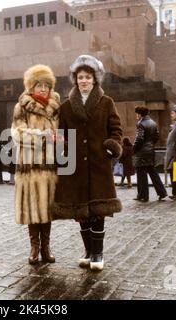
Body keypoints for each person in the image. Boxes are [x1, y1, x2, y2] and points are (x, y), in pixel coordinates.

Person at [50, 55, 123, 271]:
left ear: (94, 79)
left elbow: (116, 130)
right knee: (81, 212)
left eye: (87, 77)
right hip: (75, 167)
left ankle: (98, 254)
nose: (83, 81)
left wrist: (112, 145)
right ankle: (88, 251)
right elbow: (60, 133)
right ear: (75, 79)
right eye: (80, 77)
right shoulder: (66, 106)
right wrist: (59, 146)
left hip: (98, 164)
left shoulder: (106, 102)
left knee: (98, 210)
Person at [11, 64, 60, 265]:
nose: (43, 89)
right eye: (39, 85)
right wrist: (42, 136)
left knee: (47, 208)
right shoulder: (22, 106)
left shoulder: (56, 106)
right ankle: (34, 247)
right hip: (29, 166)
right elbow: (16, 133)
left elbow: (64, 130)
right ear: (31, 86)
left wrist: (61, 138)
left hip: (49, 165)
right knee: (32, 207)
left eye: (46, 85)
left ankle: (46, 247)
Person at [132, 106, 167, 202]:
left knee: (141, 174)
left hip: (142, 153)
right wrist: (150, 145)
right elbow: (156, 137)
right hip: (150, 151)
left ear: (139, 114)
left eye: (137, 113)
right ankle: (162, 192)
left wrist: (134, 149)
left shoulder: (141, 124)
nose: (136, 115)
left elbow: (139, 139)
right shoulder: (153, 122)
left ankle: (143, 195)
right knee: (153, 172)